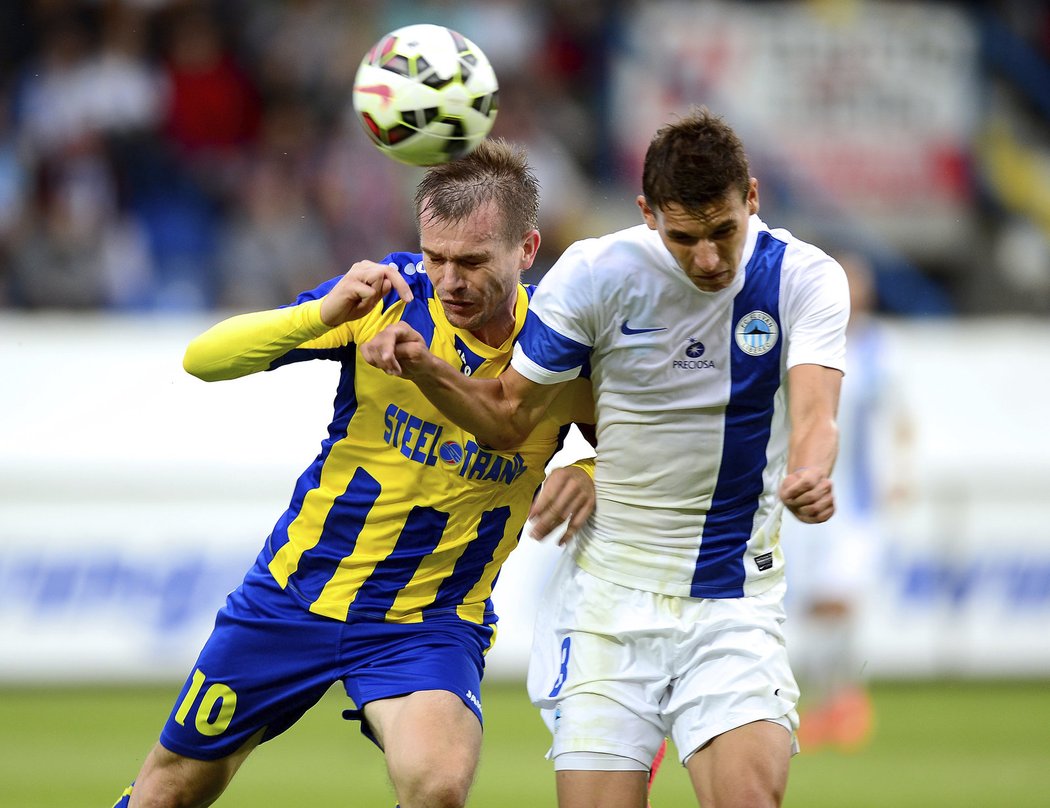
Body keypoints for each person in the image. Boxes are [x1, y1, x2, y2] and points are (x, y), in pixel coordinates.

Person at [361, 107, 850, 808]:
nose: (709, 259)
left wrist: (810, 468)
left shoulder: (804, 278)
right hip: (609, 606)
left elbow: (815, 413)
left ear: (752, 197)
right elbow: (507, 416)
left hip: (733, 600)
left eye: (723, 232)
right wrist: (427, 370)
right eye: (685, 238)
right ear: (648, 213)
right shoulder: (595, 274)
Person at [113, 139, 595, 808]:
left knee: (437, 785)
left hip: (427, 621)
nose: (450, 281)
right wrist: (322, 311)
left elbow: (638, 446)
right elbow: (202, 358)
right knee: (167, 792)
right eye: (437, 257)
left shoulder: (563, 342)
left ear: (528, 249)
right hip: (292, 594)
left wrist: (596, 471)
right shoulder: (387, 297)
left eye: (473, 262)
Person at [781, 252, 911, 752]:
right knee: (814, 606)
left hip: (856, 501)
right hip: (806, 495)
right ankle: (827, 702)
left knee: (839, 600)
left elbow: (900, 421)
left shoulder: (880, 349)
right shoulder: (808, 341)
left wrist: (900, 474)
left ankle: (847, 700)